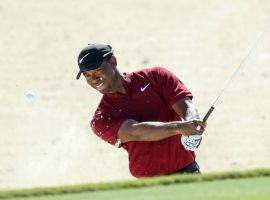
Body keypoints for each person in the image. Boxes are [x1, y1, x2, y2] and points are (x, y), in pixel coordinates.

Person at [76, 43, 207, 177]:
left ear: (113, 62)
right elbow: (136, 132)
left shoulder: (156, 76)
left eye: (97, 71)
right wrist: (180, 127)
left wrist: (193, 125)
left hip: (188, 172)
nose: (94, 79)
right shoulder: (101, 119)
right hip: (148, 186)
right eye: (87, 75)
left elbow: (187, 106)